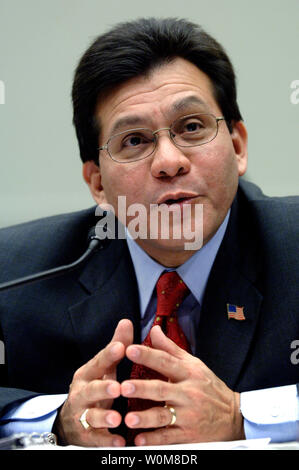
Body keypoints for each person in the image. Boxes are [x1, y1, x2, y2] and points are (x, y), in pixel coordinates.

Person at [0, 17, 298, 448]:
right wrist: (54, 420)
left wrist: (241, 416)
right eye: (135, 140)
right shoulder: (16, 272)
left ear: (237, 146)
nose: (169, 161)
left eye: (192, 127)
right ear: (98, 183)